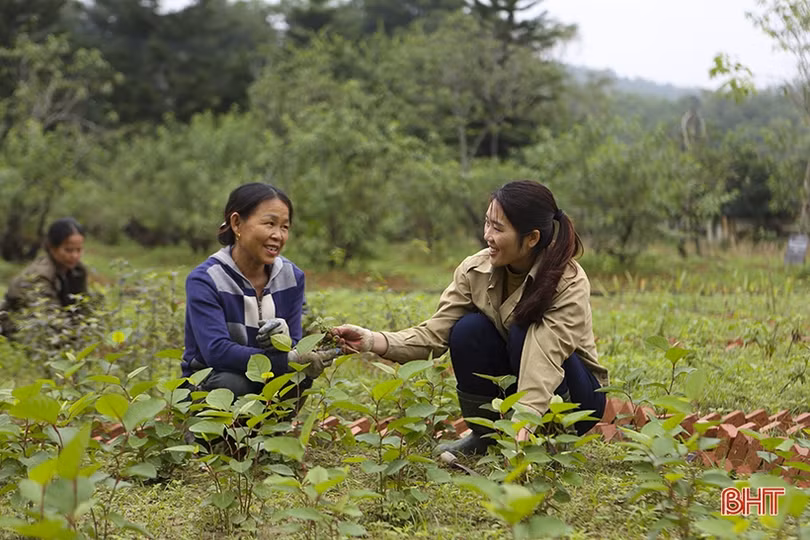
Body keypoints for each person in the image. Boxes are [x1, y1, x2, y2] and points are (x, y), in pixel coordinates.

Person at [333, 181, 608, 456]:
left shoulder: (568, 281)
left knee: (525, 330)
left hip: (576, 396)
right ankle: (486, 435)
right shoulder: (476, 269)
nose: (487, 235)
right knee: (467, 330)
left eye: (498, 228)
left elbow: (544, 356)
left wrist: (525, 419)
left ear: (532, 238)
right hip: (522, 375)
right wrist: (371, 340)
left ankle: (550, 438)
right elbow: (434, 334)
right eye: (487, 223)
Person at [181, 182, 341, 411]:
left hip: (267, 377)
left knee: (300, 375)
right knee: (232, 383)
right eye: (269, 224)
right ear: (237, 223)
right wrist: (288, 360)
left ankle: (266, 439)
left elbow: (295, 340)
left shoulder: (291, 277)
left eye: (284, 227)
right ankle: (212, 440)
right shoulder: (206, 279)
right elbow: (216, 352)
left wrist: (288, 344)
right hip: (211, 381)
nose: (278, 235)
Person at [0, 218, 90, 339]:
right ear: (52, 248)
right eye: (68, 250)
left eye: (79, 250)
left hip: (55, 325)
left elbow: (83, 306)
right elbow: (50, 318)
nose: (75, 255)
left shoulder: (77, 271)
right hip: (21, 327)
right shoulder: (39, 275)